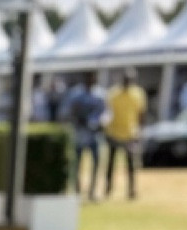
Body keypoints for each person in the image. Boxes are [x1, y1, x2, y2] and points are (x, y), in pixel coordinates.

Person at [61, 70, 107, 200]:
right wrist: (76, 118)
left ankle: (92, 192)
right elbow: (66, 112)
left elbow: (106, 113)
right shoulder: (76, 95)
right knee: (76, 164)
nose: (91, 79)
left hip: (95, 135)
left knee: (97, 163)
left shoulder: (100, 94)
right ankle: (77, 190)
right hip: (79, 134)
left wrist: (101, 122)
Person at [103, 67, 148, 199]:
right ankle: (108, 188)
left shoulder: (138, 94)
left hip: (130, 134)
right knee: (111, 163)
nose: (128, 82)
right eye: (126, 79)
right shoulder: (113, 94)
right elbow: (107, 112)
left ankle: (131, 190)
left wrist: (140, 131)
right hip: (114, 133)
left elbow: (141, 114)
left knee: (131, 164)